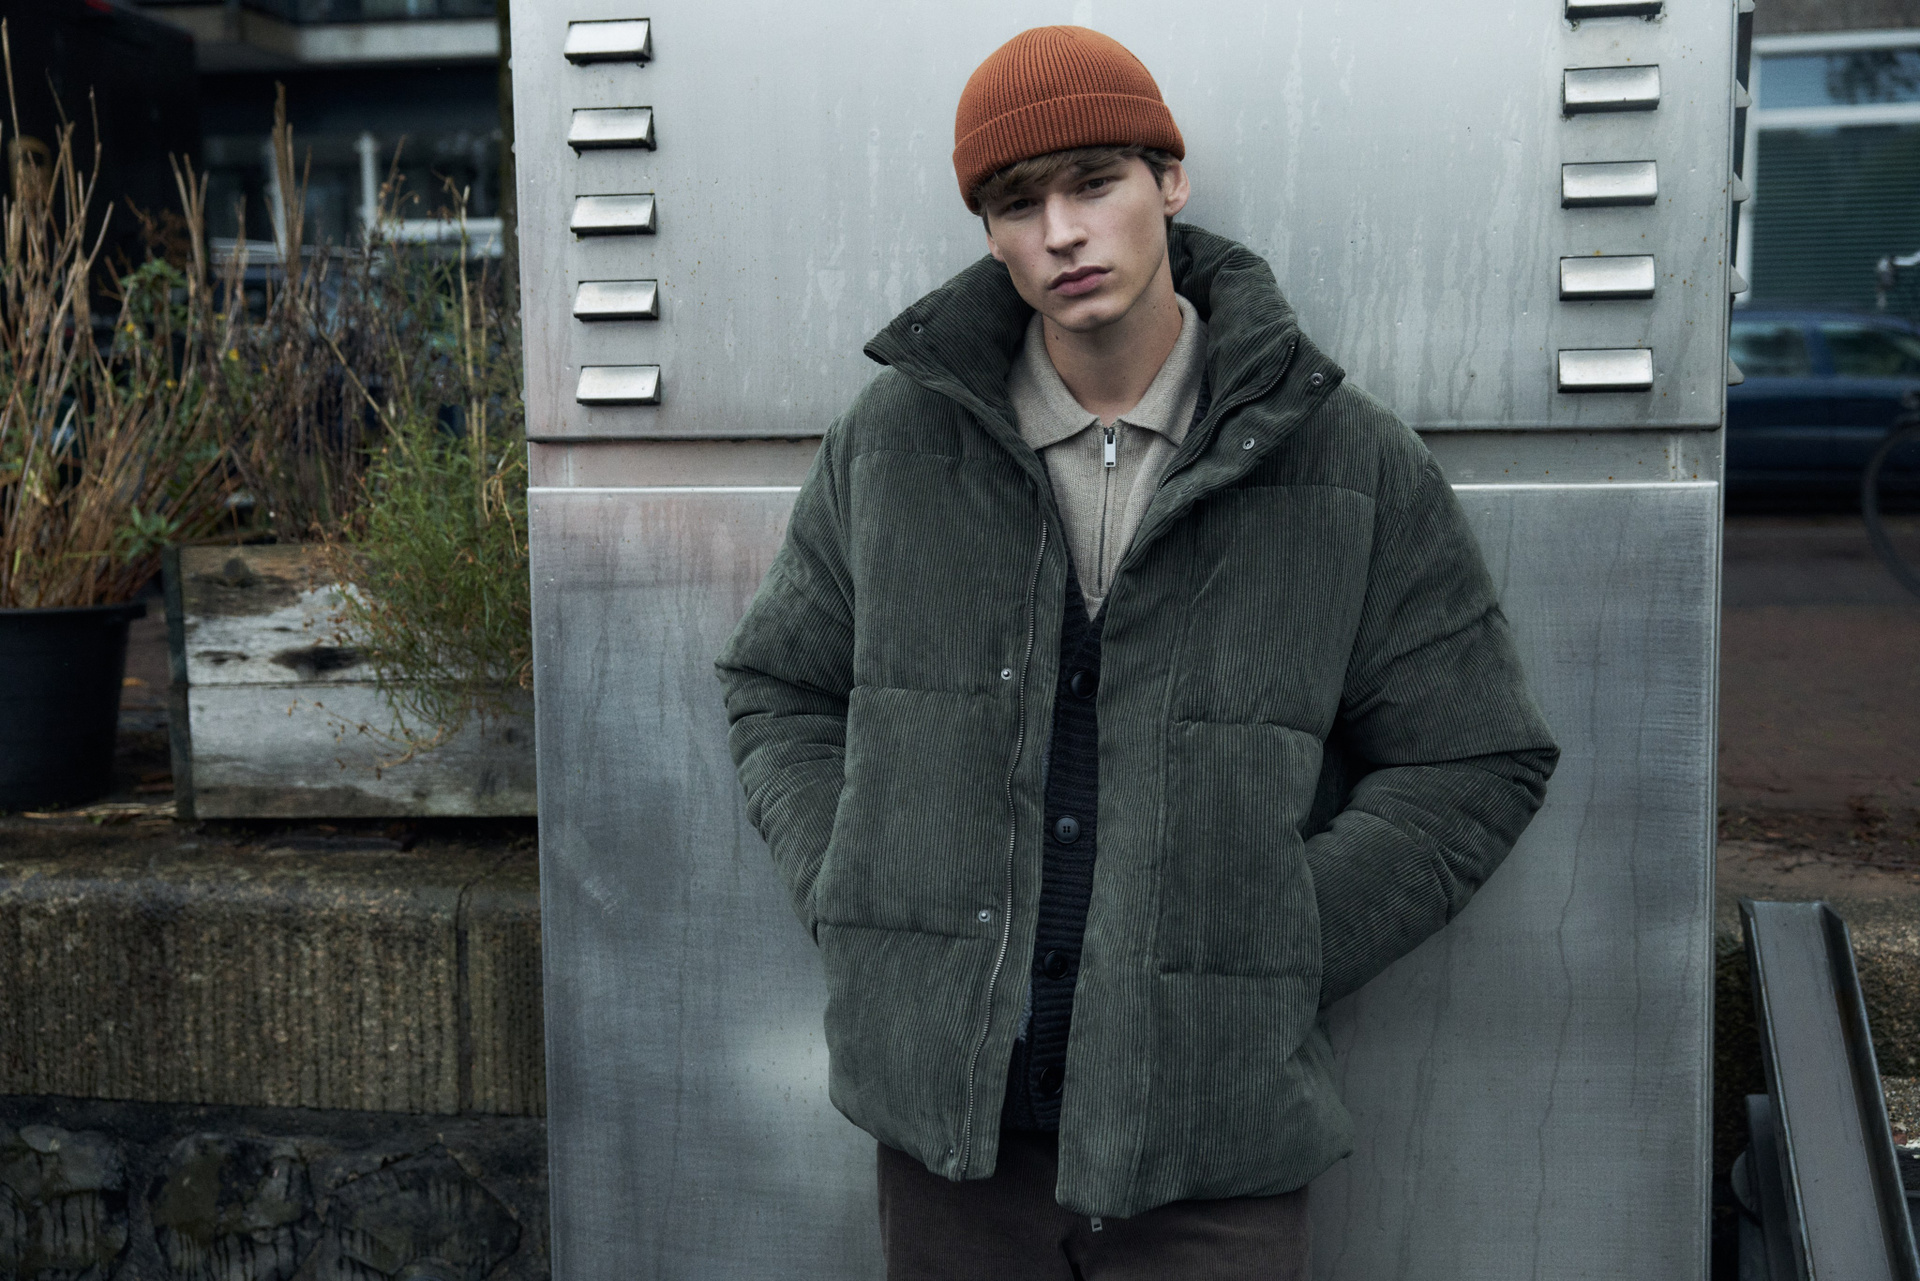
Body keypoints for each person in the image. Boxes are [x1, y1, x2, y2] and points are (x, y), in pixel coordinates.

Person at [716, 25, 1558, 1279]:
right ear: (989, 234)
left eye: (1094, 182)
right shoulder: (894, 445)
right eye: (1018, 203)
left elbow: (1475, 756)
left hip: (1216, 1159)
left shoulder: (1346, 459)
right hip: (952, 1155)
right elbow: (779, 685)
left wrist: (1276, 936)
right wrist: (861, 885)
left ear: (1169, 181)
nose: (1062, 231)